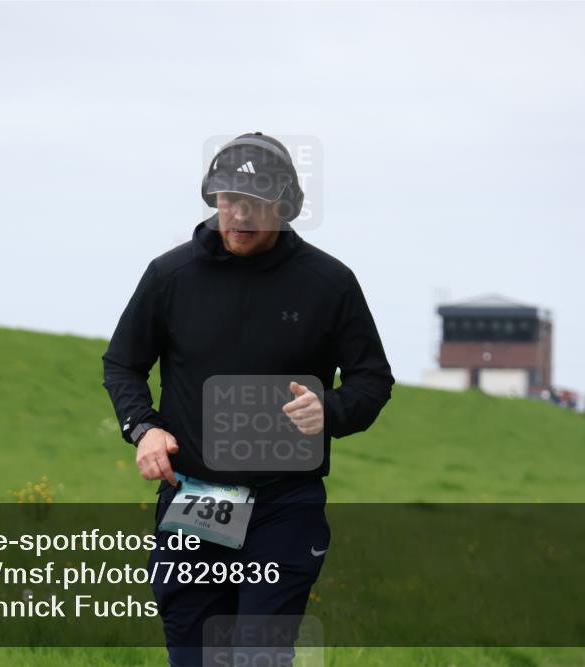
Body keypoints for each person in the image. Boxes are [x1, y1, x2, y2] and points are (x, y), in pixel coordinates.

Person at [102, 132, 394, 666]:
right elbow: (122, 362)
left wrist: (327, 409)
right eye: (228, 200)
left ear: (284, 204)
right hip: (196, 497)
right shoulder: (171, 275)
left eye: (254, 203)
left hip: (284, 504)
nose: (238, 215)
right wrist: (143, 428)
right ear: (213, 199)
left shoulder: (329, 283)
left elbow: (372, 381)